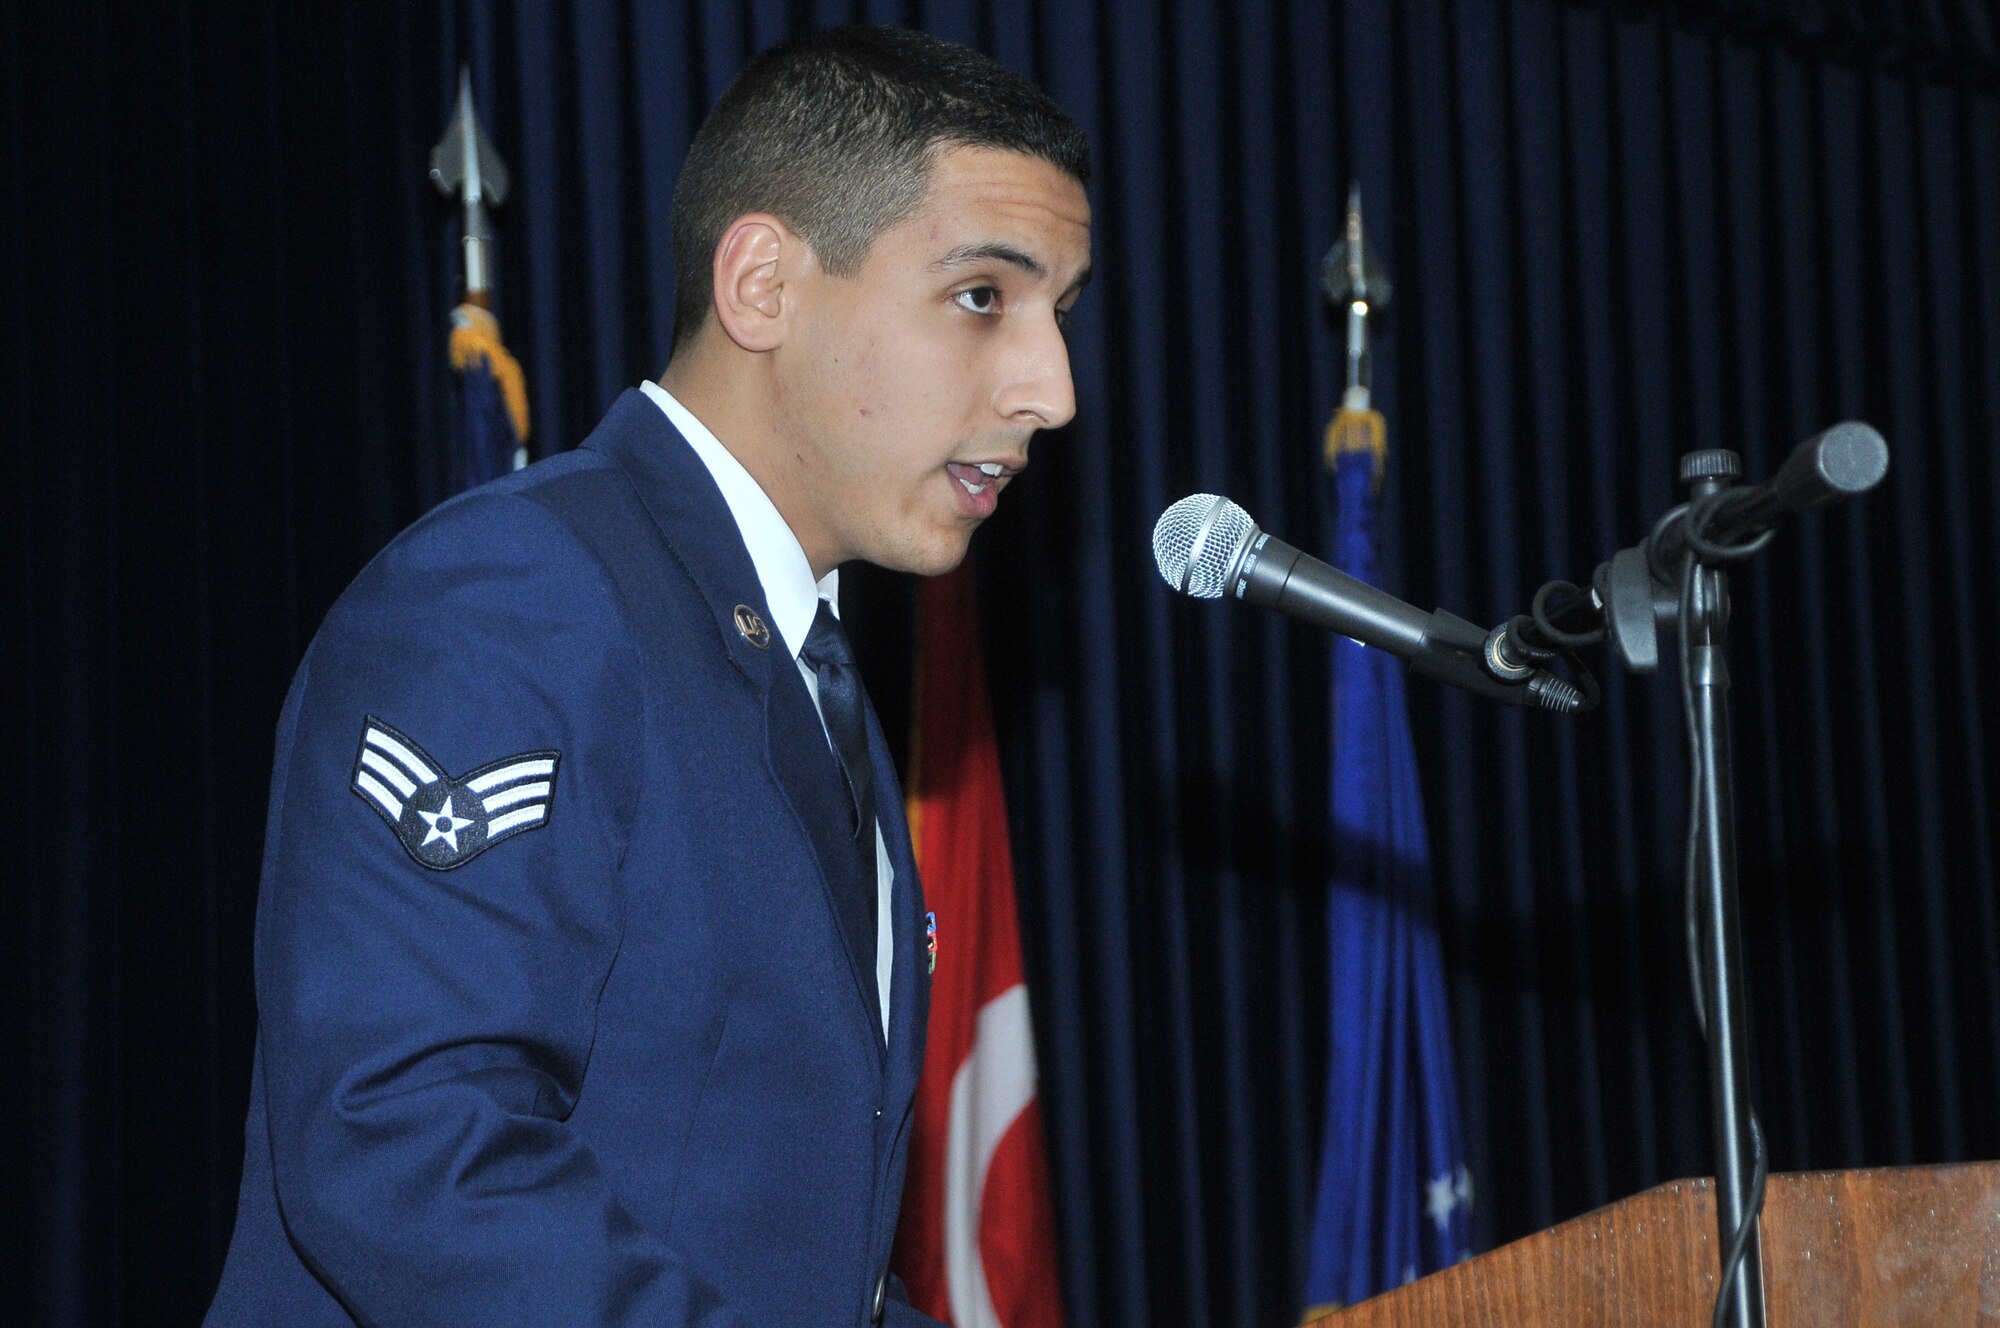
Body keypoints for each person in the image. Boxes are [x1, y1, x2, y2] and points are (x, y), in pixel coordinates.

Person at [204, 25, 1091, 1328]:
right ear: (763, 283)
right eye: (982, 298)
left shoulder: (805, 669)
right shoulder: (515, 598)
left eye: (1060, 316)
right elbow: (410, 1148)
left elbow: (785, 1262)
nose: (1052, 389)